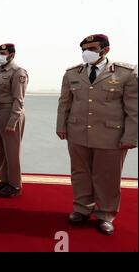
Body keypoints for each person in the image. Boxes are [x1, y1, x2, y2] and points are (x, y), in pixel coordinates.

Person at [56, 34, 138, 235]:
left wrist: (131, 136)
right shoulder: (72, 73)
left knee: (107, 177)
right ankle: (81, 208)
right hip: (77, 133)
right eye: (84, 48)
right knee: (80, 173)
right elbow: (64, 103)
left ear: (105, 50)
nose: (87, 52)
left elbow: (134, 109)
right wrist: (61, 126)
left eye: (92, 48)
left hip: (110, 135)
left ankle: (105, 215)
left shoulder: (125, 73)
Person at [0, 44, 28, 197]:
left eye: (3, 53)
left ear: (12, 55)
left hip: (9, 113)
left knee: (12, 152)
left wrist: (13, 121)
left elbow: (19, 99)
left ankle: (15, 185)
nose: (0, 55)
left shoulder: (18, 72)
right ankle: (4, 181)